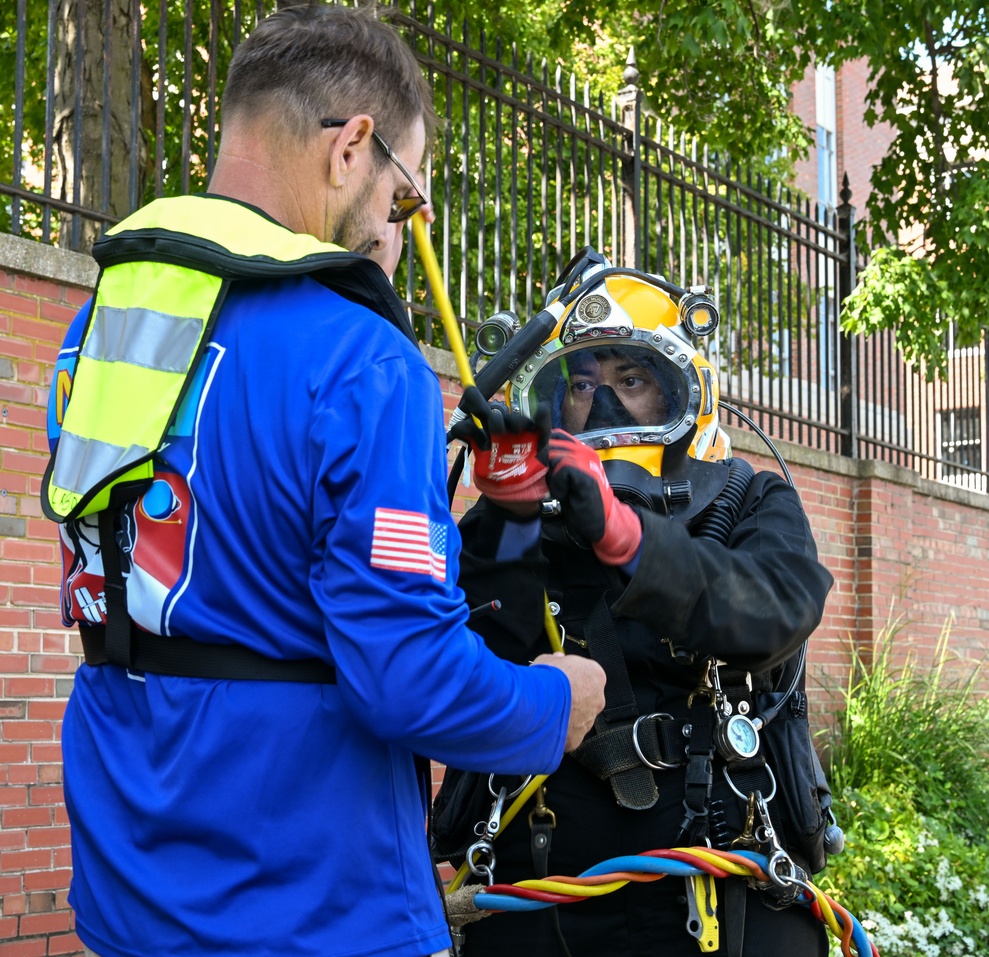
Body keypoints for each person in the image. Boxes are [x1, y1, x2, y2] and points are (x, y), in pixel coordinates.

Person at [41, 8, 605, 957]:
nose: (395, 233)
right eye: (404, 199)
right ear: (352, 148)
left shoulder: (103, 330)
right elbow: (408, 680)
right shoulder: (360, 358)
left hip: (127, 897)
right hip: (315, 914)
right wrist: (557, 703)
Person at [435, 249, 837, 957]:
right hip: (540, 878)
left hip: (723, 876)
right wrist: (506, 519)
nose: (609, 404)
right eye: (586, 384)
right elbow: (455, 656)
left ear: (683, 389)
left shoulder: (748, 498)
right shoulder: (523, 516)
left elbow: (780, 606)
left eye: (634, 379)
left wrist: (627, 537)